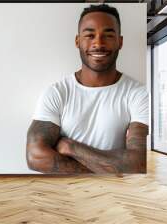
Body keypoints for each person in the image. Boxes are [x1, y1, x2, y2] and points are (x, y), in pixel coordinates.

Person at [25, 4, 149, 175]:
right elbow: (35, 157)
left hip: (117, 197)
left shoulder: (139, 94)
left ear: (120, 42)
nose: (98, 43)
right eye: (90, 35)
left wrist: (71, 147)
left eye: (108, 35)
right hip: (66, 196)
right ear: (77, 41)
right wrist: (104, 171)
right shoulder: (57, 93)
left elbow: (139, 164)